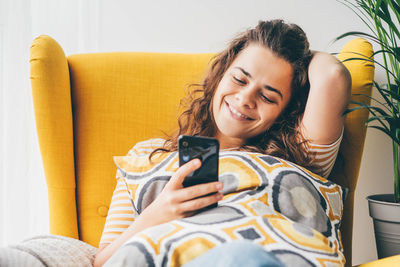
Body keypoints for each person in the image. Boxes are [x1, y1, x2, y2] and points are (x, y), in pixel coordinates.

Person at [93, 19, 351, 266]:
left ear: (285, 112)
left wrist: (300, 57)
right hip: (177, 257)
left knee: (241, 257)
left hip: (261, 258)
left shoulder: (300, 152)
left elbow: (333, 75)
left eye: (268, 96)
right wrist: (159, 212)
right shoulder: (147, 154)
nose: (245, 99)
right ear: (220, 74)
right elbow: (104, 262)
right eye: (239, 79)